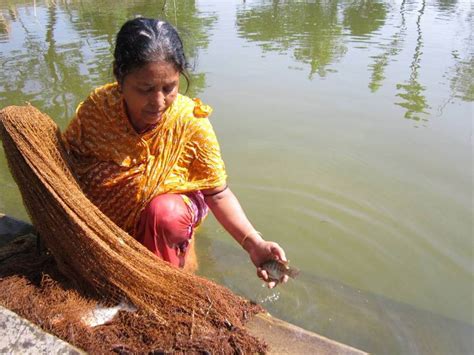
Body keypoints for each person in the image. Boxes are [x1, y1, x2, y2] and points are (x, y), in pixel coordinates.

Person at [63, 17, 288, 288]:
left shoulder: (190, 121)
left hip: (168, 215)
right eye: (145, 89)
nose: (158, 102)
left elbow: (216, 192)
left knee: (165, 214)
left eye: (169, 88)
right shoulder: (97, 111)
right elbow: (68, 164)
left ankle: (176, 257)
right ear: (119, 78)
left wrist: (254, 243)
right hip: (108, 221)